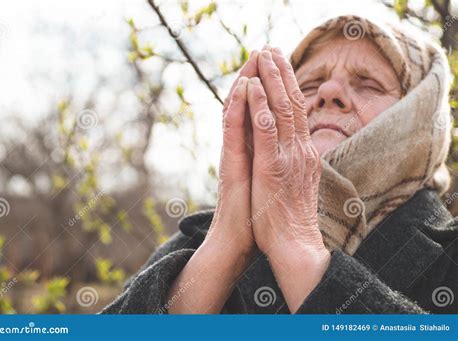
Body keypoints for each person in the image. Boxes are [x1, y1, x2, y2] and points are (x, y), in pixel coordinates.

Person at [101, 15, 458, 314]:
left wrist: (297, 248)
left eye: (368, 84)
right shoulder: (192, 244)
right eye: (309, 84)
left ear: (419, 117)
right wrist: (224, 248)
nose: (327, 93)